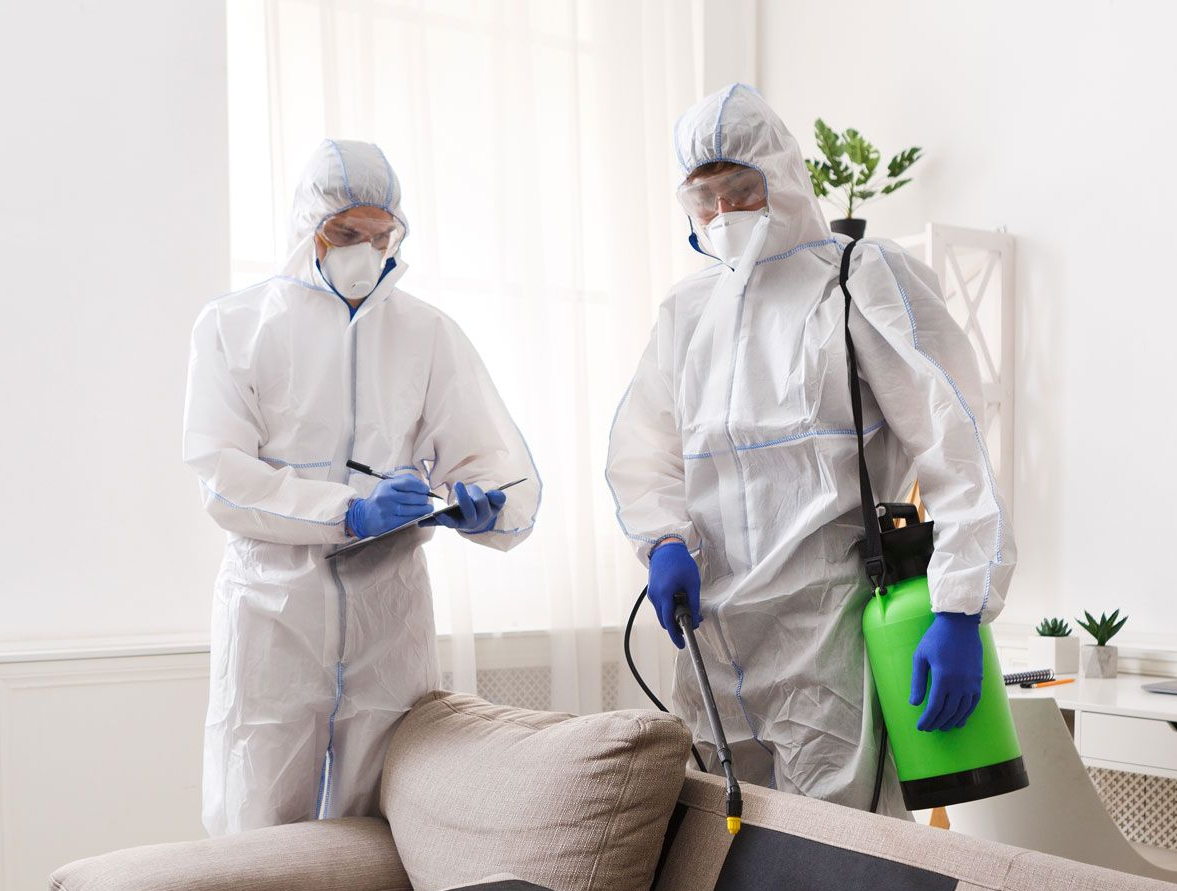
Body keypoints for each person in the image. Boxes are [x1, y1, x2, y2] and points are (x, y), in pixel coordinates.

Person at [606, 85, 1014, 816]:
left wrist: (958, 609)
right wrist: (663, 538)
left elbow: (953, 445)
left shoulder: (856, 278)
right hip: (712, 639)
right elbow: (646, 447)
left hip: (822, 635)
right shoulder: (686, 312)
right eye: (705, 198)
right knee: (714, 847)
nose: (724, 214)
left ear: (784, 178)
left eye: (742, 190)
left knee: (840, 857)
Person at [185, 139, 540, 834]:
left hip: (389, 615)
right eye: (347, 233)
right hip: (275, 610)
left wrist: (483, 505)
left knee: (383, 821)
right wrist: (347, 512)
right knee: (259, 817)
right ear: (306, 226)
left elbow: (488, 454)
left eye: (383, 236)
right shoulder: (235, 326)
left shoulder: (427, 332)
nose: (367, 251)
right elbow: (223, 479)